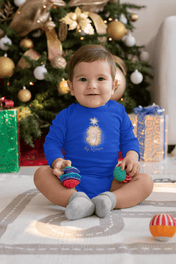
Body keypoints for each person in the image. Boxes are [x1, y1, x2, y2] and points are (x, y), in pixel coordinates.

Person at [34, 45, 153, 220]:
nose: (92, 86)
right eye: (83, 79)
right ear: (71, 87)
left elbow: (130, 141)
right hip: (71, 181)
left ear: (113, 86)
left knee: (146, 182)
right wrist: (58, 161)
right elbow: (52, 143)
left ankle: (109, 200)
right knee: (41, 174)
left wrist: (132, 157)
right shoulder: (65, 116)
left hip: (112, 180)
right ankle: (77, 200)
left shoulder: (119, 113)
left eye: (100, 79)